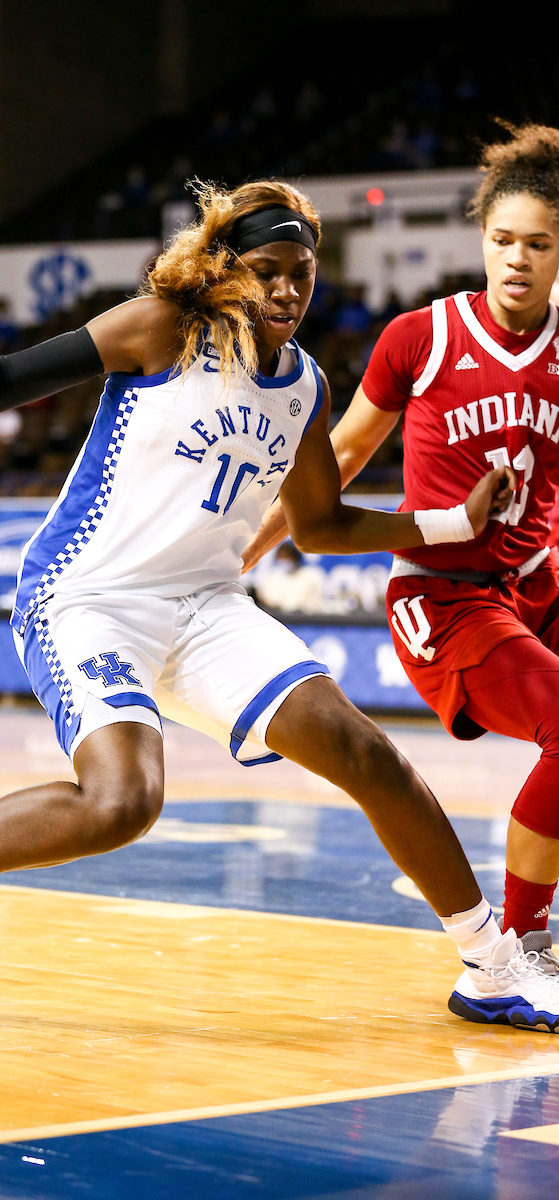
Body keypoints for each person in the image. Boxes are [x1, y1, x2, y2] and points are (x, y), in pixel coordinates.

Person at [0, 179, 558, 1034]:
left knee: (363, 751)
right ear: (227, 270)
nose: (289, 290)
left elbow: (322, 523)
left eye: (304, 273)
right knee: (122, 803)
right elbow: (1, 380)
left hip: (206, 607)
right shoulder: (161, 327)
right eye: (269, 270)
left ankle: (492, 965)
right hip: (87, 598)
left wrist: (452, 522)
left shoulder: (303, 386)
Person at [244, 124, 559, 982]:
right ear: (480, 240)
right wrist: (245, 552)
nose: (517, 259)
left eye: (538, 244)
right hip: (445, 599)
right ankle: (516, 955)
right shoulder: (421, 338)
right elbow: (339, 460)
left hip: (540, 584)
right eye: (503, 241)